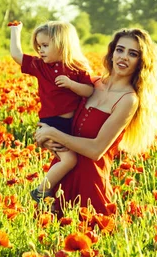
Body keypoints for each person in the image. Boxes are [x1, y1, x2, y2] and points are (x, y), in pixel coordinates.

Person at [34, 28, 157, 215]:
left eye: (133, 53)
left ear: (141, 62)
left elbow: (96, 150)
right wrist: (44, 137)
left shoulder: (128, 100)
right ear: (112, 53)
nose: (124, 57)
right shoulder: (91, 85)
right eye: (120, 50)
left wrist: (53, 134)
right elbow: (57, 116)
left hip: (89, 186)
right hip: (59, 178)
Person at [9, 21, 94, 203]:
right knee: (69, 161)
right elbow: (16, 55)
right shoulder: (40, 66)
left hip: (70, 126)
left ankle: (58, 198)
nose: (41, 50)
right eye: (39, 46)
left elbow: (89, 91)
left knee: (71, 162)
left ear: (63, 44)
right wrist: (15, 31)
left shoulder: (77, 67)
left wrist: (72, 85)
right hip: (50, 124)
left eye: (45, 46)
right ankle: (41, 191)